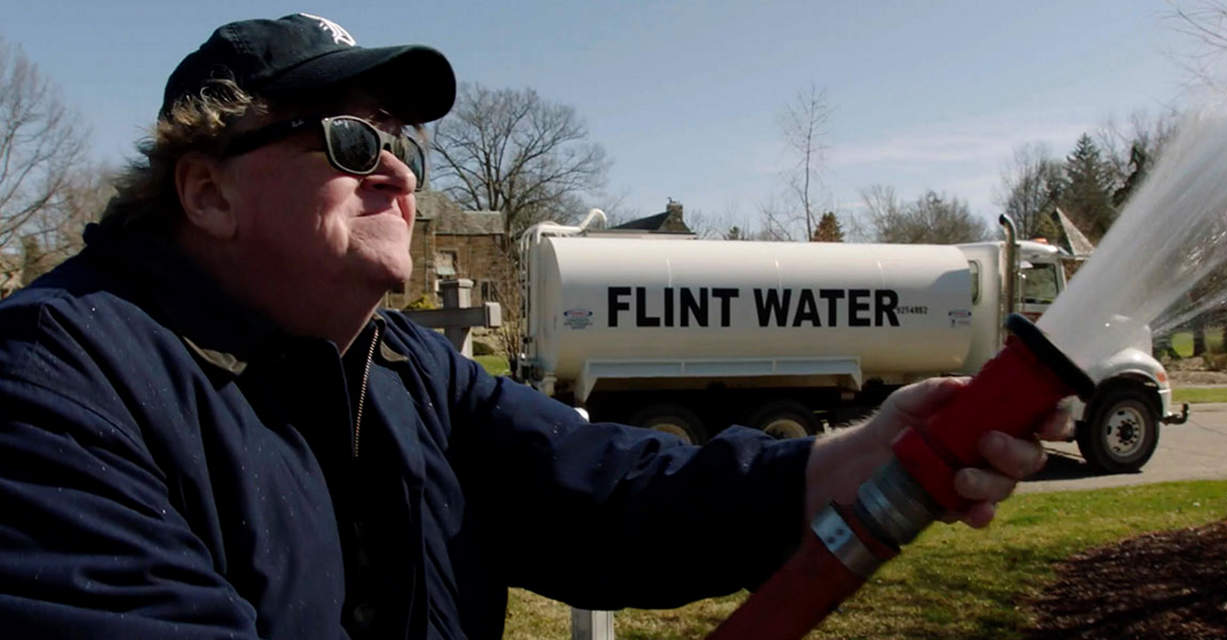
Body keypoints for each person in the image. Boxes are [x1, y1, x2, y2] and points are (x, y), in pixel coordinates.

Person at [0, 14, 1065, 640]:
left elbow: (612, 494)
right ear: (207, 191)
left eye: (408, 146)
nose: (400, 174)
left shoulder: (403, 366)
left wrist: (846, 463)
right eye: (353, 142)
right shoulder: (52, 382)